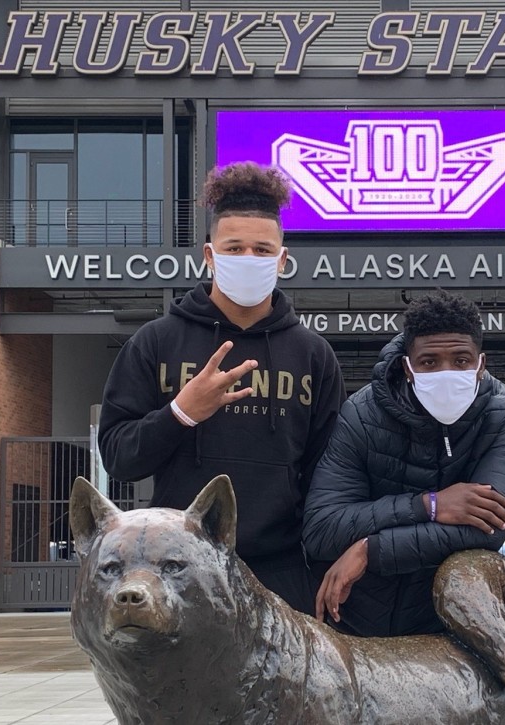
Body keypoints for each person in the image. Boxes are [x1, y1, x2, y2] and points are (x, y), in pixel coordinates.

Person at [98, 162, 346, 616]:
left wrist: (326, 562)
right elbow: (118, 457)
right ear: (210, 256)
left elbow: (328, 477)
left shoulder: (313, 354)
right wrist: (180, 413)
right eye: (235, 248)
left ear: (282, 260)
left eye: (261, 249)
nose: (249, 258)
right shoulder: (156, 341)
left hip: (283, 572)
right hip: (177, 570)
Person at [302, 290, 505, 636]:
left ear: (481, 364)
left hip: (446, 628)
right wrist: (430, 505)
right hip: (352, 622)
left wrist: (370, 549)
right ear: (408, 368)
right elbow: (322, 529)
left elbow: (488, 527)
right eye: (430, 362)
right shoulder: (361, 415)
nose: (447, 372)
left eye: (462, 360)